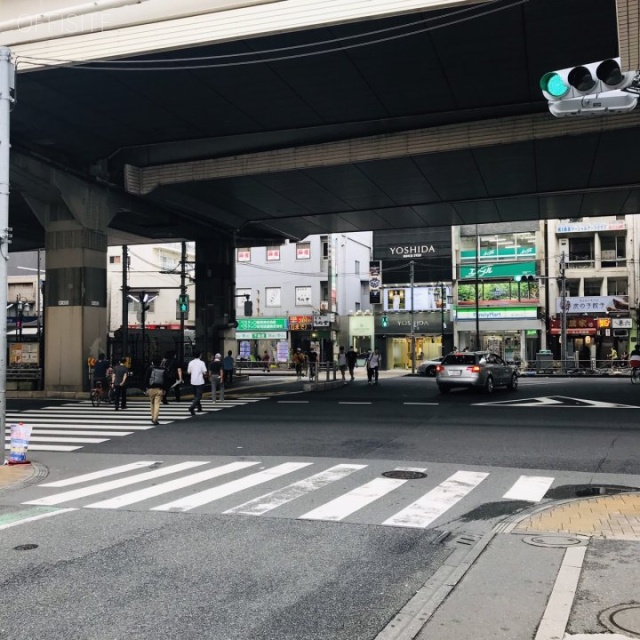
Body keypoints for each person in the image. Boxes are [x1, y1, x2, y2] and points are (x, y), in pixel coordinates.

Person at [143, 357, 166, 425]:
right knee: (157, 404)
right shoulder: (163, 369)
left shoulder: (149, 369)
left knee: (152, 403)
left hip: (151, 389)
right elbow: (165, 380)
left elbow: (145, 379)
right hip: (159, 389)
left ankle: (152, 416)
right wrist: (164, 389)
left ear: (152, 362)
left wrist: (145, 389)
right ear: (160, 362)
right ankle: (155, 419)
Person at [188, 351, 208, 416]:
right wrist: (205, 375)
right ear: (200, 355)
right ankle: (192, 407)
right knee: (199, 396)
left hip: (193, 381)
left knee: (196, 395)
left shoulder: (191, 362)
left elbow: (188, 372)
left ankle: (199, 407)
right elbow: (205, 371)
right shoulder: (202, 363)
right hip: (200, 381)